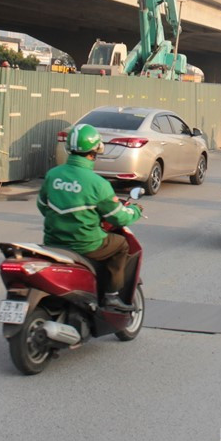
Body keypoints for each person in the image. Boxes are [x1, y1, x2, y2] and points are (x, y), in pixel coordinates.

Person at [37, 124, 142, 311]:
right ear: (94, 152)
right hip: (86, 244)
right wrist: (135, 211)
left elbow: (42, 206)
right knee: (121, 245)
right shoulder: (98, 184)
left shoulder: (53, 175)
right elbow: (119, 218)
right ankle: (111, 296)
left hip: (53, 242)